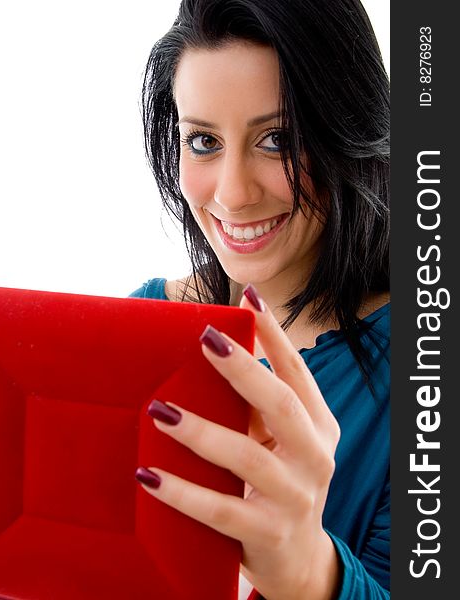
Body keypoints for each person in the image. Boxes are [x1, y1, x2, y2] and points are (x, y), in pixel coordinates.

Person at [131, 0, 390, 598]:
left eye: (276, 139)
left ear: (347, 134)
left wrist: (309, 573)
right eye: (202, 141)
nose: (233, 193)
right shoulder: (147, 321)